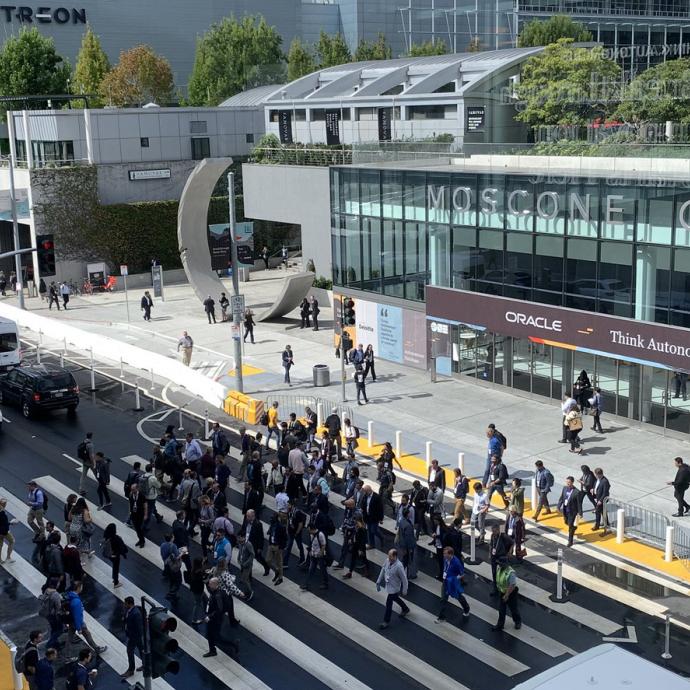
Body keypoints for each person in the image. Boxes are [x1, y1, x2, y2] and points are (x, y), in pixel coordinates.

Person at [65, 582, 107, 654]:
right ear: (78, 588)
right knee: (87, 635)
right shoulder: (76, 601)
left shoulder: (70, 595)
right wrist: (79, 628)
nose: (82, 588)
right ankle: (97, 649)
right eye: (81, 587)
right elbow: (77, 616)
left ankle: (67, 656)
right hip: (78, 623)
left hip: (71, 620)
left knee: (70, 638)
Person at [376, 549, 410, 629]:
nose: (389, 557)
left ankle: (386, 621)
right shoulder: (387, 561)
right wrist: (378, 581)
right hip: (389, 586)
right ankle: (405, 608)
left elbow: (404, 579)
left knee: (389, 603)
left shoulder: (399, 566)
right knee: (395, 598)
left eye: (390, 556)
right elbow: (383, 569)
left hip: (394, 588)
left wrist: (405, 589)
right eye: (388, 555)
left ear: (395, 556)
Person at [435, 546, 470, 623]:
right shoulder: (446, 559)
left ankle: (466, 608)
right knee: (443, 599)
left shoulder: (456, 562)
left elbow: (462, 574)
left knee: (458, 596)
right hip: (446, 581)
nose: (443, 555)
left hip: (453, 582)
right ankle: (442, 617)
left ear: (450, 554)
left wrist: (455, 579)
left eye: (445, 554)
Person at [491, 557, 522, 631]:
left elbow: (512, 585)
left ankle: (517, 622)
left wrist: (507, 595)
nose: (499, 565)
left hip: (511, 594)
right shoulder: (500, 569)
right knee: (501, 610)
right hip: (502, 592)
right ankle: (500, 625)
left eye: (500, 564)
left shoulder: (511, 572)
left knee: (513, 609)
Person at [301, 524, 329, 591]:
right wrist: (310, 551)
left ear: (311, 529)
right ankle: (306, 584)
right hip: (314, 555)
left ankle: (326, 583)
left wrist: (321, 553)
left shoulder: (320, 535)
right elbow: (312, 544)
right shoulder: (312, 535)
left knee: (323, 570)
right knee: (311, 570)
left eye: (309, 529)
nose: (308, 531)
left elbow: (323, 545)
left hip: (320, 556)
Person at [121, 597, 143, 678]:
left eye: (125, 603)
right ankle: (145, 664)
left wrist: (134, 637)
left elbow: (139, 627)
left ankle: (131, 670)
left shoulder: (136, 613)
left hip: (134, 636)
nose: (124, 604)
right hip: (133, 635)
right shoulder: (129, 610)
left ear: (129, 604)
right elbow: (126, 618)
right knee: (141, 649)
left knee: (129, 651)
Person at [203, 577, 226, 657]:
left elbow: (219, 609)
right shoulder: (214, 592)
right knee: (211, 635)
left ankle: (233, 645)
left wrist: (210, 617)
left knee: (216, 636)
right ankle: (212, 650)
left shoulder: (217, 595)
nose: (209, 585)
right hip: (212, 618)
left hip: (215, 620)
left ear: (215, 585)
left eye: (210, 584)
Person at [489, 522, 514, 593]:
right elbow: (491, 545)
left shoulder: (504, 536)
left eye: (495, 531)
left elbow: (512, 543)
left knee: (503, 572)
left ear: (498, 530)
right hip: (494, 556)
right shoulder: (492, 535)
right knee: (494, 572)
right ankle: (495, 588)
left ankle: (505, 586)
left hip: (502, 557)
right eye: (492, 531)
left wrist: (509, 552)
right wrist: (489, 553)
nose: (493, 532)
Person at [102, 523, 127, 588]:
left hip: (109, 555)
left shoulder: (106, 536)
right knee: (116, 568)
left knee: (114, 566)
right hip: (116, 555)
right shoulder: (117, 538)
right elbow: (122, 548)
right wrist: (124, 555)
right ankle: (116, 582)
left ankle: (114, 579)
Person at [558, 476, 580, 547]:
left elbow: (579, 503)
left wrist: (580, 512)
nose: (568, 484)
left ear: (572, 483)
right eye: (567, 482)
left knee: (570, 525)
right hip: (565, 510)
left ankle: (570, 541)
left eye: (569, 482)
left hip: (572, 511)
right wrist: (559, 505)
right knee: (566, 522)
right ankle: (573, 528)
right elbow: (562, 498)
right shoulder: (564, 488)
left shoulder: (576, 492)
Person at [362, 485, 384, 550]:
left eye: (365, 492)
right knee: (369, 531)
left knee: (373, 530)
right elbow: (364, 504)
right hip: (367, 517)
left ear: (369, 491)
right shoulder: (365, 496)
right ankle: (372, 544)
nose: (365, 493)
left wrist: (381, 518)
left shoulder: (377, 497)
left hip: (375, 517)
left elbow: (381, 508)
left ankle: (381, 537)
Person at [128, 481, 147, 548]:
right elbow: (130, 503)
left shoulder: (141, 495)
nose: (132, 490)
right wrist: (129, 511)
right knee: (136, 528)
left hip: (140, 514)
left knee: (139, 528)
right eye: (131, 489)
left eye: (133, 489)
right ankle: (140, 540)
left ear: (137, 489)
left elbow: (145, 505)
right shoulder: (131, 495)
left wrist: (145, 514)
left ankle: (142, 541)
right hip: (133, 514)